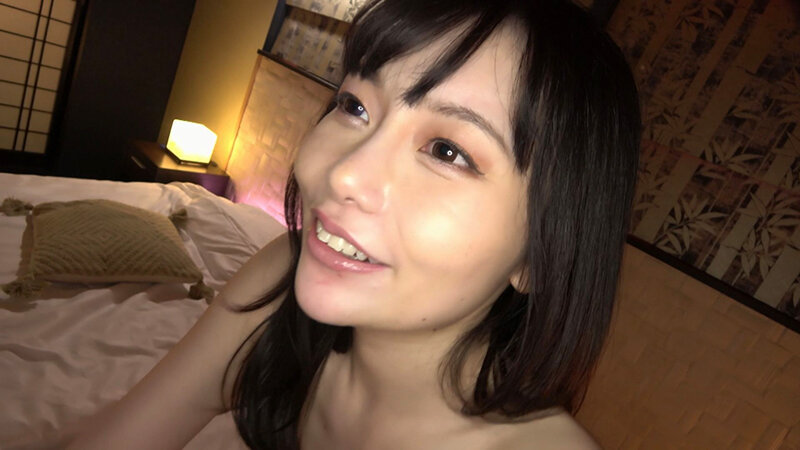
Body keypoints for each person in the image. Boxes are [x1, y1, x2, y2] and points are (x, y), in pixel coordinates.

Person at [69, 0, 640, 448]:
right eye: (355, 106)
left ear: (539, 254)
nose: (345, 172)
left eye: (447, 151)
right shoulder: (278, 284)